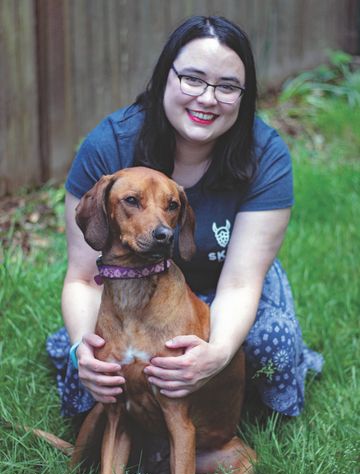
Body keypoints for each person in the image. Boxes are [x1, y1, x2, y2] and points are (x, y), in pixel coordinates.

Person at [47, 16, 323, 430]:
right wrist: (81, 352)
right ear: (164, 79)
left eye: (227, 86)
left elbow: (241, 283)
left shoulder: (266, 155)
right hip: (130, 289)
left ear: (244, 98)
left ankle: (248, 397)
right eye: (192, 79)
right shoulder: (108, 145)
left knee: (269, 343)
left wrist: (218, 352)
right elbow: (84, 278)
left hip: (223, 284)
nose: (208, 98)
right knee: (84, 362)